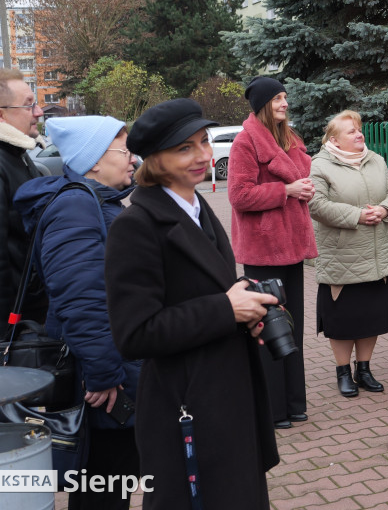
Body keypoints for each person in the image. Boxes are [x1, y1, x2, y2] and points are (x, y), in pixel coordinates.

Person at [105, 99, 279, 508]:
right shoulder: (136, 226)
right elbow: (134, 333)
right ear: (155, 161)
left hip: (229, 394)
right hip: (184, 404)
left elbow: (205, 288)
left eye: (204, 142)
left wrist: (246, 308)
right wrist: (225, 310)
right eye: (185, 148)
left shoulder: (199, 209)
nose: (204, 156)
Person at [14, 116, 141, 510]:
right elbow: (80, 299)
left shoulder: (95, 202)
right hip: (102, 376)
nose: (133, 159)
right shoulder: (75, 206)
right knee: (105, 479)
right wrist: (105, 375)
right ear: (94, 161)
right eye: (123, 151)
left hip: (111, 366)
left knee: (106, 479)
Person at [228, 77, 318, 428]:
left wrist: (303, 189)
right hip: (264, 249)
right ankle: (274, 408)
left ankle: (295, 402)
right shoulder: (244, 142)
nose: (284, 103)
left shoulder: (289, 137)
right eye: (278, 98)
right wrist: (287, 190)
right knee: (269, 327)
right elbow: (239, 196)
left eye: (285, 97)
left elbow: (301, 180)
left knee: (292, 327)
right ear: (264, 104)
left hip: (291, 245)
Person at [309, 110, 388, 397]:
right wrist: (357, 216)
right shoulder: (320, 166)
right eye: (351, 131)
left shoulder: (376, 160)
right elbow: (317, 205)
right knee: (343, 321)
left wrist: (385, 209)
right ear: (334, 139)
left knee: (370, 316)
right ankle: (343, 372)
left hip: (375, 253)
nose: (359, 134)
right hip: (341, 256)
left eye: (359, 129)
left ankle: (364, 369)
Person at [0, 70, 48, 369]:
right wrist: (2, 342)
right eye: (29, 104)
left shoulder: (13, 152)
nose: (39, 112)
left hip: (14, 325)